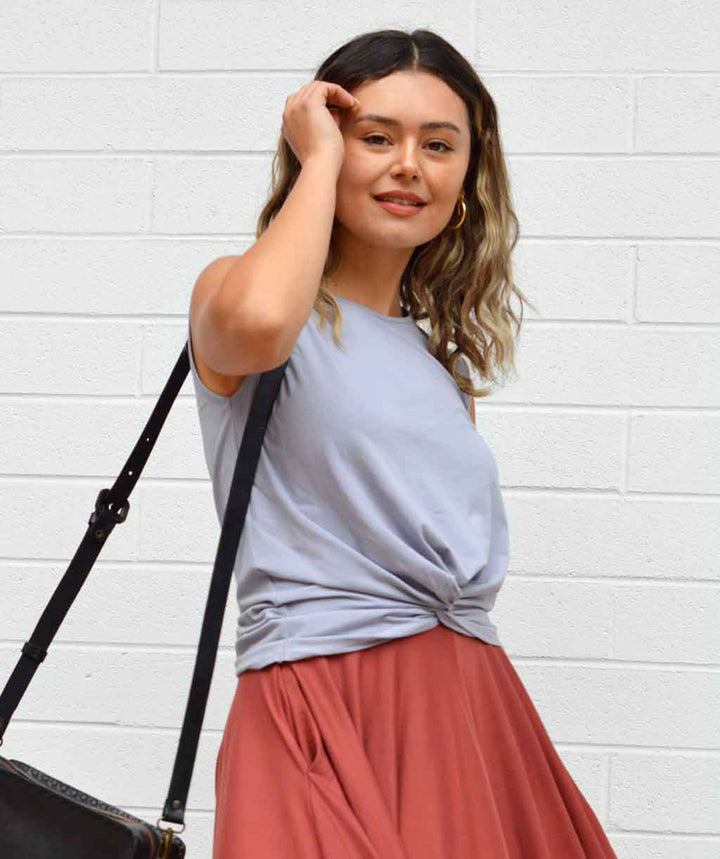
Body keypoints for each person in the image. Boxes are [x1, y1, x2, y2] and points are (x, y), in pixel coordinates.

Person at [187, 27, 618, 859]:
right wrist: (317, 157)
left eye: (439, 145)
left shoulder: (442, 372)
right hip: (318, 699)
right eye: (376, 138)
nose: (409, 166)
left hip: (466, 713)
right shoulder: (239, 295)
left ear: (468, 178)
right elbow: (262, 321)